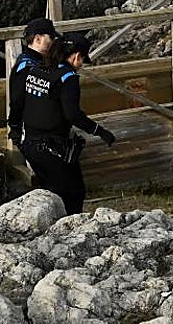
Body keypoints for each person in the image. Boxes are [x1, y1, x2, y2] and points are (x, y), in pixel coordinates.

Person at [9, 23, 117, 215]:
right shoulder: (68, 78)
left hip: (30, 144)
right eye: (82, 58)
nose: (82, 64)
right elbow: (72, 114)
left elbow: (21, 101)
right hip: (52, 147)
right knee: (74, 193)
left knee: (49, 191)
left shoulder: (36, 70)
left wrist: (15, 128)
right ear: (76, 56)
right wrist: (100, 131)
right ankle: (69, 231)